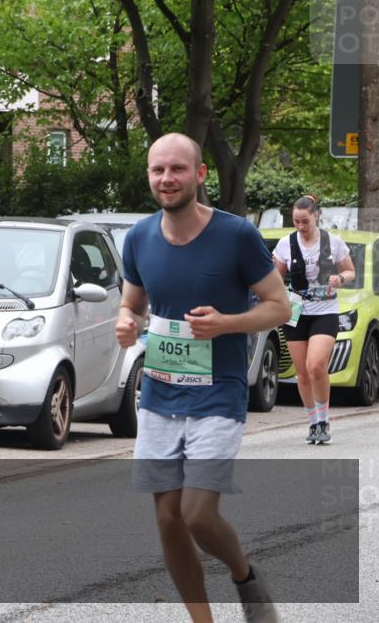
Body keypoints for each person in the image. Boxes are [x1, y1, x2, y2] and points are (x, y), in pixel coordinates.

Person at [115, 133, 290, 623]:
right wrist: (126, 322)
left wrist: (227, 323)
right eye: (158, 171)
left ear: (199, 175)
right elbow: (132, 303)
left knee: (196, 514)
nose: (167, 179)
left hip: (218, 394)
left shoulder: (236, 235)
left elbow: (279, 306)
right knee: (168, 519)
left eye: (177, 169)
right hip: (159, 395)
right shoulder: (140, 237)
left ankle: (244, 576)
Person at [271, 195, 355, 444]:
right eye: (296, 221)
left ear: (316, 216)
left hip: (325, 310)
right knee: (303, 373)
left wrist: (340, 279)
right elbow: (274, 277)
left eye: (304, 221)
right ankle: (314, 423)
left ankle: (324, 419)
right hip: (297, 312)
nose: (300, 226)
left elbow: (350, 271)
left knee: (316, 365)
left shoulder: (333, 242)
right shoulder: (286, 244)